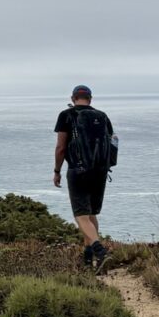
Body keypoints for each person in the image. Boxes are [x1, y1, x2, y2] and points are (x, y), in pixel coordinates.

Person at [53, 84, 115, 270]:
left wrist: (57, 171)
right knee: (91, 214)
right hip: (100, 171)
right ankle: (88, 259)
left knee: (80, 216)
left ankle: (99, 251)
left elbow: (61, 148)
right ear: (90, 99)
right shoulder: (102, 116)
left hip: (78, 171)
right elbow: (112, 141)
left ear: (73, 98)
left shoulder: (66, 115)